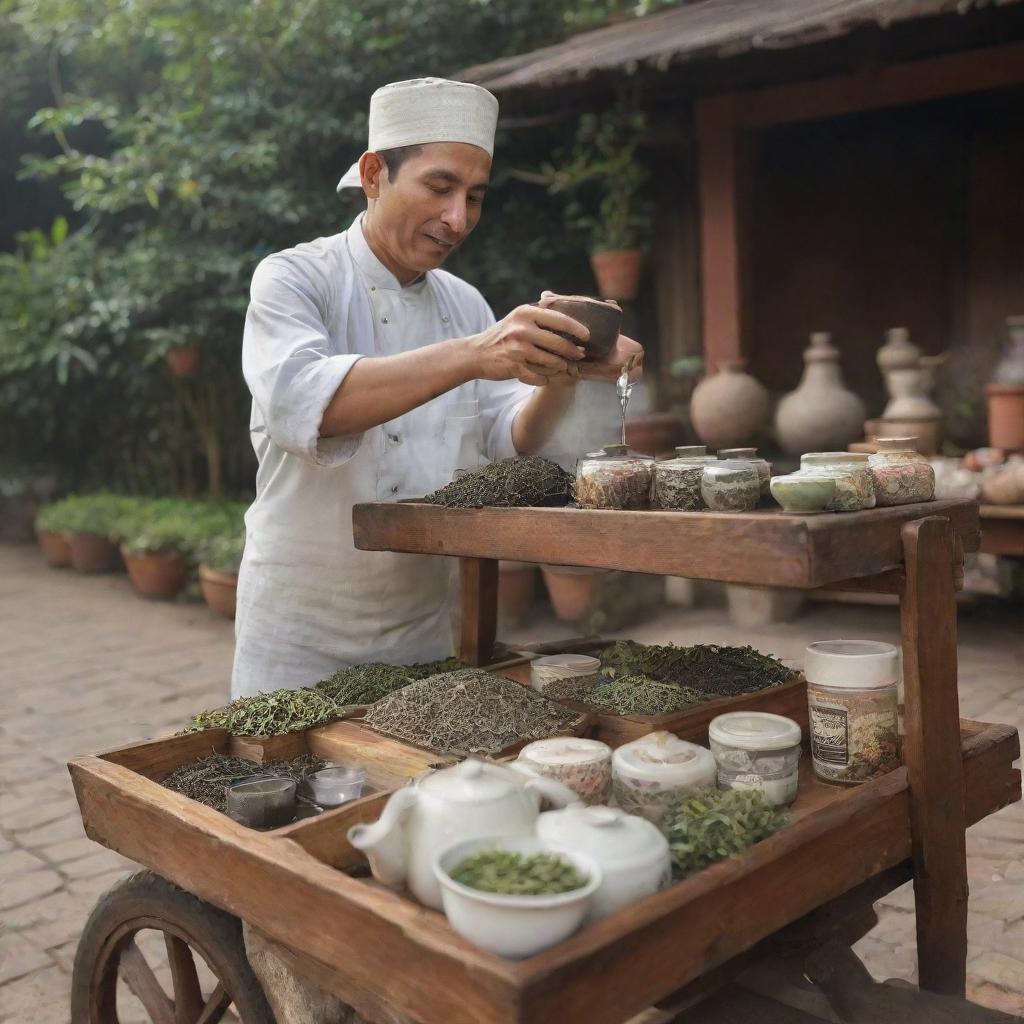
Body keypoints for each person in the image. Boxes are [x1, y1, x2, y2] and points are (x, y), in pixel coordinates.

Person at [232, 77, 642, 699]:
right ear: (374, 175)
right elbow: (308, 405)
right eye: (440, 187)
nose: (457, 219)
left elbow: (509, 437)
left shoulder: (465, 302)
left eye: (474, 197)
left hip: (420, 632)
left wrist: (564, 374)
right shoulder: (294, 279)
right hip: (299, 634)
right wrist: (476, 354)